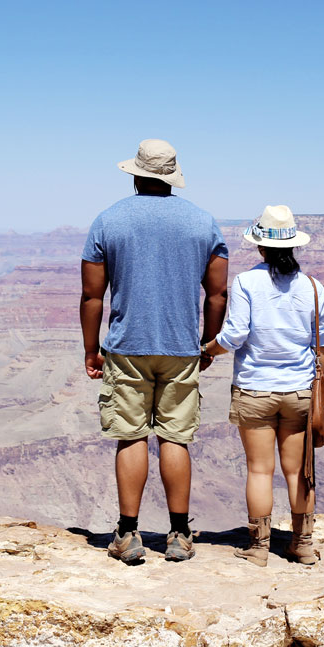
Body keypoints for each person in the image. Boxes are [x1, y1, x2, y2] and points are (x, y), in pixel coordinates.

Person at [80, 139, 229, 565]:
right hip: (181, 348)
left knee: (130, 437)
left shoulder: (109, 221)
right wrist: (208, 344)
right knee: (175, 438)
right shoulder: (203, 223)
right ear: (171, 177)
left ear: (135, 174)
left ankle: (128, 535)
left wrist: (92, 349)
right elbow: (217, 293)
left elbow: (93, 296)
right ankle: (179, 535)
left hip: (127, 347)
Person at [201, 205, 324, 566]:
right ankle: (302, 545)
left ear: (260, 247)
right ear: (293, 247)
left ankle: (258, 548)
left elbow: (235, 335)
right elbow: (320, 345)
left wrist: (207, 350)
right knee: (298, 471)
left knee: (260, 469)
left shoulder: (246, 282)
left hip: (255, 390)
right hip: (300, 391)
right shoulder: (314, 289)